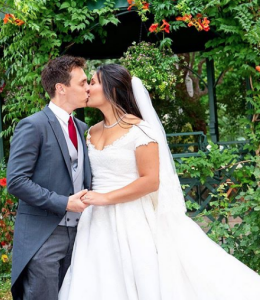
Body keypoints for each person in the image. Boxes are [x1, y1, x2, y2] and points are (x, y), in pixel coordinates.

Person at [59, 64, 260, 300]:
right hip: (95, 219)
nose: (88, 88)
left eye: (93, 82)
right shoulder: (91, 131)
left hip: (131, 215)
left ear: (112, 90)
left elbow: (150, 181)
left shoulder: (141, 131)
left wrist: (104, 198)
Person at [7, 55, 92, 300]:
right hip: (44, 235)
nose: (88, 88)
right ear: (61, 88)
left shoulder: (83, 128)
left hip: (80, 234)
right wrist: (64, 203)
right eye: (82, 83)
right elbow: (16, 181)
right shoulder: (33, 126)